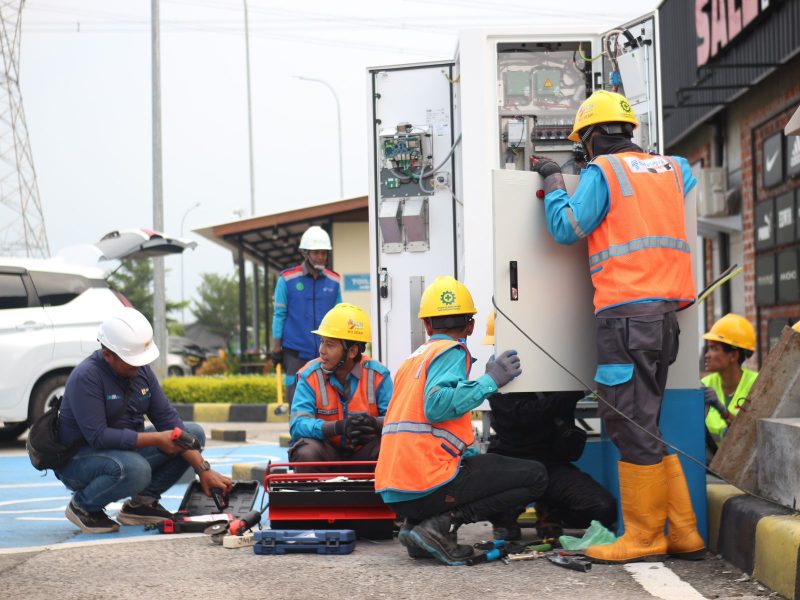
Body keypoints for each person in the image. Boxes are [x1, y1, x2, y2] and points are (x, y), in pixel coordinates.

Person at [531, 89, 704, 563]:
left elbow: (568, 227)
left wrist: (552, 180)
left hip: (626, 316)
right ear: (629, 131)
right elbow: (685, 173)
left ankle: (645, 536)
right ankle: (684, 532)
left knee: (627, 425)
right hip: (665, 320)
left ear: (589, 138)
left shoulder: (603, 171)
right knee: (644, 423)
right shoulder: (672, 169)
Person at [375, 276, 548, 566]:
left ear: (427, 326)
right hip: (427, 484)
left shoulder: (413, 360)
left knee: (479, 467)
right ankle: (440, 524)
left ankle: (416, 528)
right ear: (470, 326)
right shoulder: (452, 351)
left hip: (395, 490)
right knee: (536, 475)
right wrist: (490, 380)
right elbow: (437, 405)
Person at [55, 307, 233, 534]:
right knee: (136, 469)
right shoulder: (86, 377)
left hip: (122, 453)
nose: (138, 365)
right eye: (132, 360)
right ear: (108, 354)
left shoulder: (140, 372)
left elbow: (169, 420)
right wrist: (157, 439)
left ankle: (141, 504)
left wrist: (203, 469)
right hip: (80, 460)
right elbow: (98, 437)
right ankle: (83, 505)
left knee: (192, 435)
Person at [482, 311, 617, 540]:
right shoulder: (495, 379)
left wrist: (571, 390)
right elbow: (520, 417)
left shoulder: (556, 374)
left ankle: (550, 511)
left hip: (551, 466)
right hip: (511, 463)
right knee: (487, 496)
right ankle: (505, 516)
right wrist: (573, 393)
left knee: (603, 507)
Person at [289, 303, 392, 472]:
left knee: (391, 447)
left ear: (351, 351)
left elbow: (396, 421)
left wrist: (374, 423)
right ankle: (314, 498)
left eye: (330, 344)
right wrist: (336, 427)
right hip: (326, 453)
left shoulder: (378, 375)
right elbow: (298, 425)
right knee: (306, 452)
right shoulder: (309, 375)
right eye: (322, 342)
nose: (321, 350)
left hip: (364, 455)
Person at [271, 225, 342, 407]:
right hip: (295, 351)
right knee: (295, 395)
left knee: (327, 394)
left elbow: (339, 315)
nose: (321, 257)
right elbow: (279, 315)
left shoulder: (334, 281)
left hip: (326, 350)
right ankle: (296, 433)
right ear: (305, 253)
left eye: (324, 253)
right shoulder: (287, 279)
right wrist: (276, 349)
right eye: (316, 252)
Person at [702, 313, 758, 452]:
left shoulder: (757, 385)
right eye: (709, 348)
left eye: (714, 348)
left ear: (733, 355)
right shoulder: (705, 384)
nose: (707, 355)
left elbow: (753, 434)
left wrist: (722, 411)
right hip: (711, 468)